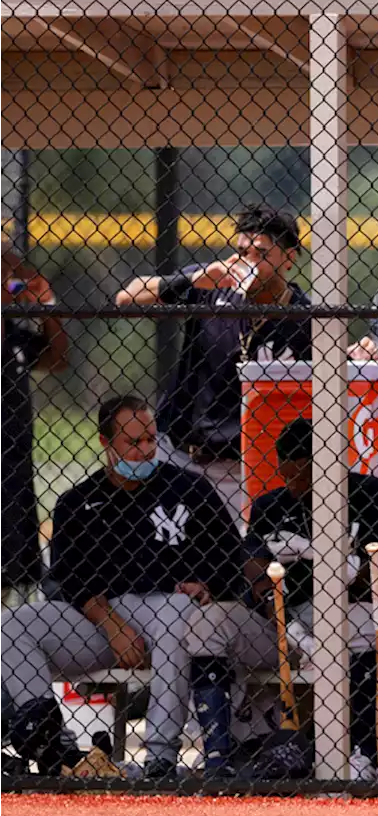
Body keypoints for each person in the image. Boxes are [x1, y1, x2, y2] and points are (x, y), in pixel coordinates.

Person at [0, 396, 242, 778]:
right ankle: (56, 750)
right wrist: (112, 625)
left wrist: (208, 584)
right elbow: (69, 579)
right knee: (11, 625)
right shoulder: (77, 502)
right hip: (98, 619)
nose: (145, 450)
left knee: (178, 611)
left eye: (150, 439)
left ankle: (159, 757)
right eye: (133, 442)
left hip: (169, 611)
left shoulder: (189, 489)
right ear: (106, 444)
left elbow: (231, 559)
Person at [180, 417, 378, 778]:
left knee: (362, 619)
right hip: (282, 625)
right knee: (208, 623)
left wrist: (323, 562)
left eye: (301, 477)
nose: (293, 486)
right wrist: (277, 609)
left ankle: (363, 754)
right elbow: (255, 572)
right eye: (285, 476)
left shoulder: (371, 493)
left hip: (348, 616)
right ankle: (217, 760)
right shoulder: (269, 505)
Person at [115, 205, 311, 517]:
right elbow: (127, 297)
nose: (249, 261)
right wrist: (192, 279)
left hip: (241, 468)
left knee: (236, 559)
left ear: (288, 258)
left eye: (261, 253)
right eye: (242, 251)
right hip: (178, 453)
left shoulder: (304, 318)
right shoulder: (212, 284)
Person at [0, 250, 68, 594]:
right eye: (7, 275)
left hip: (15, 466)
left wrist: (46, 304)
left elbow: (57, 358)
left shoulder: (14, 331)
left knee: (14, 578)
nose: (14, 283)